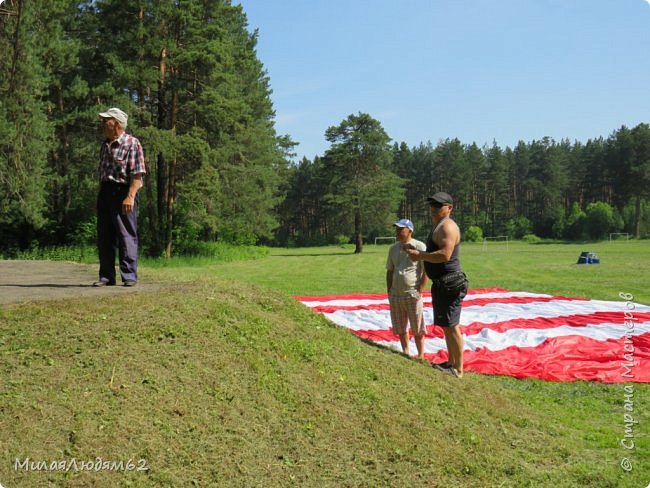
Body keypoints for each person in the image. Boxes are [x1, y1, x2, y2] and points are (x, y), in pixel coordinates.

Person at [405, 192, 468, 378]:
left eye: (438, 205)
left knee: (452, 325)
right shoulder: (440, 225)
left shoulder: (447, 226)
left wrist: (420, 255)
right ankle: (452, 363)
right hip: (444, 283)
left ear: (449, 208)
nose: (433, 208)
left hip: (450, 282)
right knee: (447, 325)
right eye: (432, 204)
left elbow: (445, 255)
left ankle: (458, 369)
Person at [93, 107, 146, 287]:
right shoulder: (104, 144)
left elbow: (137, 175)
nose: (102, 123)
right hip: (106, 192)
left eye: (105, 120)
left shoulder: (132, 143)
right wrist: (100, 197)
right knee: (104, 236)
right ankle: (107, 276)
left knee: (126, 235)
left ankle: (129, 276)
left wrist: (130, 196)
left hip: (124, 192)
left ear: (116, 124)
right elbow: (103, 173)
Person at [386, 218, 429, 359]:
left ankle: (421, 355)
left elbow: (426, 271)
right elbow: (390, 271)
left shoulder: (420, 246)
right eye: (396, 229)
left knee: (417, 327)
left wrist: (420, 290)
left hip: (412, 293)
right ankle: (405, 352)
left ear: (410, 230)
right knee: (400, 327)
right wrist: (389, 291)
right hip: (395, 294)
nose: (397, 232)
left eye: (400, 229)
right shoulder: (393, 249)